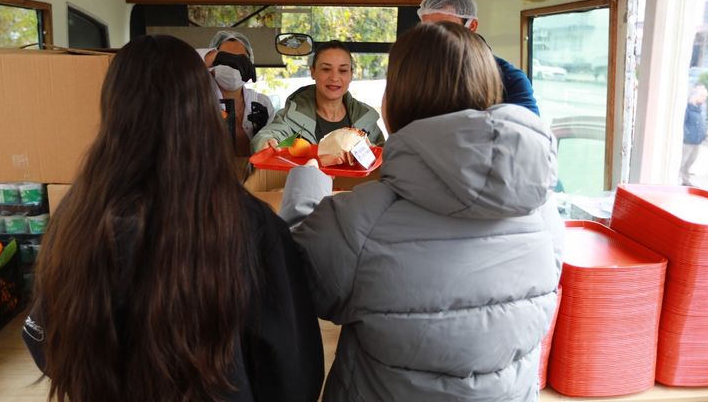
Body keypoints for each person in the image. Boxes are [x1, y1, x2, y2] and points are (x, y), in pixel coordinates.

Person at [22, 35, 324, 402]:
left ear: (113, 109)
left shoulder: (80, 214)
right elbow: (294, 372)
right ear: (204, 107)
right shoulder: (252, 225)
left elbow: (43, 338)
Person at [278, 22, 563, 401]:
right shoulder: (545, 212)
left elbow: (293, 278)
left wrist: (306, 185)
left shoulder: (360, 221)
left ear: (396, 101)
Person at [417, 0, 540, 115]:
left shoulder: (509, 79)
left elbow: (529, 130)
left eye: (446, 28)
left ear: (472, 26)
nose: (434, 37)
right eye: (427, 29)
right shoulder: (416, 73)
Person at [251, 40, 384, 152]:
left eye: (343, 70)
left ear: (351, 74)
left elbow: (383, 155)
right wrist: (267, 142)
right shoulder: (292, 116)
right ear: (313, 72)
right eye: (326, 69)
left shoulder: (366, 118)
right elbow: (268, 135)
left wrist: (367, 149)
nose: (334, 78)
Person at [206, 30, 276, 156]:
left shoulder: (262, 104)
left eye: (240, 60)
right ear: (211, 64)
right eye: (226, 59)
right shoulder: (199, 104)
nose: (233, 65)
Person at [679, 85, 708, 186]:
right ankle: (679, 180)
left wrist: (704, 133)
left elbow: (703, 122)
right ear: (695, 95)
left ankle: (685, 180)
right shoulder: (687, 107)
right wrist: (687, 135)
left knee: (690, 161)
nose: (704, 98)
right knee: (682, 161)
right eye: (703, 95)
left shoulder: (700, 108)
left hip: (697, 140)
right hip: (688, 141)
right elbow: (682, 123)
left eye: (705, 96)